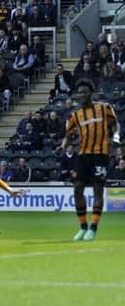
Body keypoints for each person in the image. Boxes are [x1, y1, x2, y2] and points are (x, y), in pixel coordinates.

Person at [61, 79, 120, 241]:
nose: (82, 95)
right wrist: (65, 142)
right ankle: (83, 227)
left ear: (91, 93)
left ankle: (93, 228)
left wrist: (115, 135)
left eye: (85, 92)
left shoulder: (104, 108)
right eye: (80, 92)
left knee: (97, 191)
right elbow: (69, 135)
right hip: (83, 155)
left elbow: (116, 124)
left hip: (100, 155)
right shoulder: (75, 115)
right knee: (77, 189)